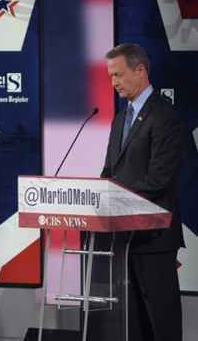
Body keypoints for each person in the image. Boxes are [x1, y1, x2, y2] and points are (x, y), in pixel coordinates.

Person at [101, 44, 185, 341]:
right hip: (123, 236)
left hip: (154, 235)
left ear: (140, 70)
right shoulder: (120, 119)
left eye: (119, 75)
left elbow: (159, 179)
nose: (114, 83)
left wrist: (115, 196)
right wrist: (101, 193)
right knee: (132, 321)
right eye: (111, 77)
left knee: (161, 319)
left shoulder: (165, 116)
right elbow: (109, 171)